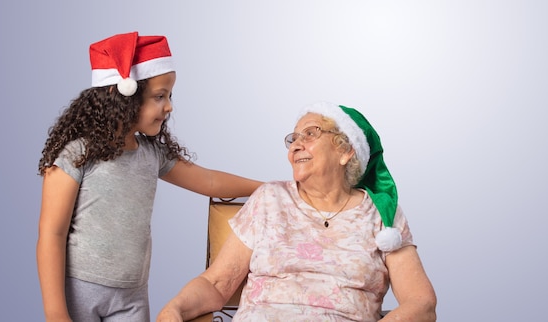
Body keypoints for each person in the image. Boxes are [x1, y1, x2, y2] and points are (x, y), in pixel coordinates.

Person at [36, 32, 263, 322]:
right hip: (81, 292)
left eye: (169, 96)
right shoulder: (77, 153)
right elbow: (51, 233)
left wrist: (269, 187)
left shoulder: (151, 153)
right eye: (159, 96)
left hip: (132, 296)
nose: (168, 106)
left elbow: (209, 182)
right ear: (121, 95)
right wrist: (56, 313)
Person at [157, 102, 437, 321]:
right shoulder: (270, 198)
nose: (296, 145)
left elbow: (421, 304)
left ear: (346, 151)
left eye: (311, 133)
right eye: (293, 138)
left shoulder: (383, 216)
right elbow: (217, 284)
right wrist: (175, 309)